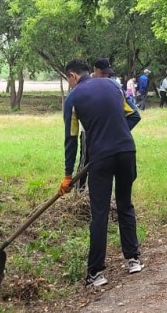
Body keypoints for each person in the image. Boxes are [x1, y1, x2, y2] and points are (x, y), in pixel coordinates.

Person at [59, 60, 142, 288]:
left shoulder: (73, 98)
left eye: (68, 80)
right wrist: (119, 132)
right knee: (125, 205)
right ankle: (133, 259)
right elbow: (134, 115)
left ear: (73, 76)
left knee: (100, 213)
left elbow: (71, 139)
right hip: (127, 151)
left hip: (101, 158)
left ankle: (96, 272)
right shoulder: (113, 86)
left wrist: (68, 175)